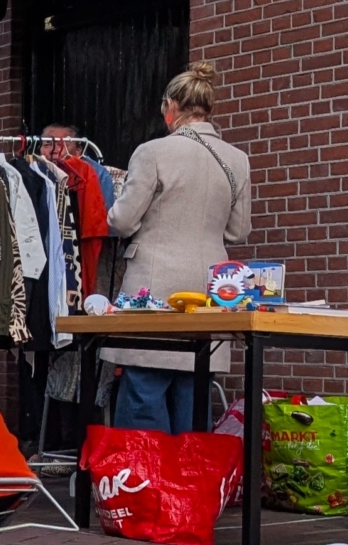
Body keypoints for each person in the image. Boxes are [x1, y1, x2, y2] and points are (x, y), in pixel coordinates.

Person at [107, 62, 252, 432]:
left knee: (144, 391)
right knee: (194, 391)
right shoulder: (238, 160)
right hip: (210, 292)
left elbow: (122, 221)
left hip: (153, 289)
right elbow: (237, 232)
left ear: (170, 107)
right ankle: (188, 486)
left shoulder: (152, 152)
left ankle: (143, 484)